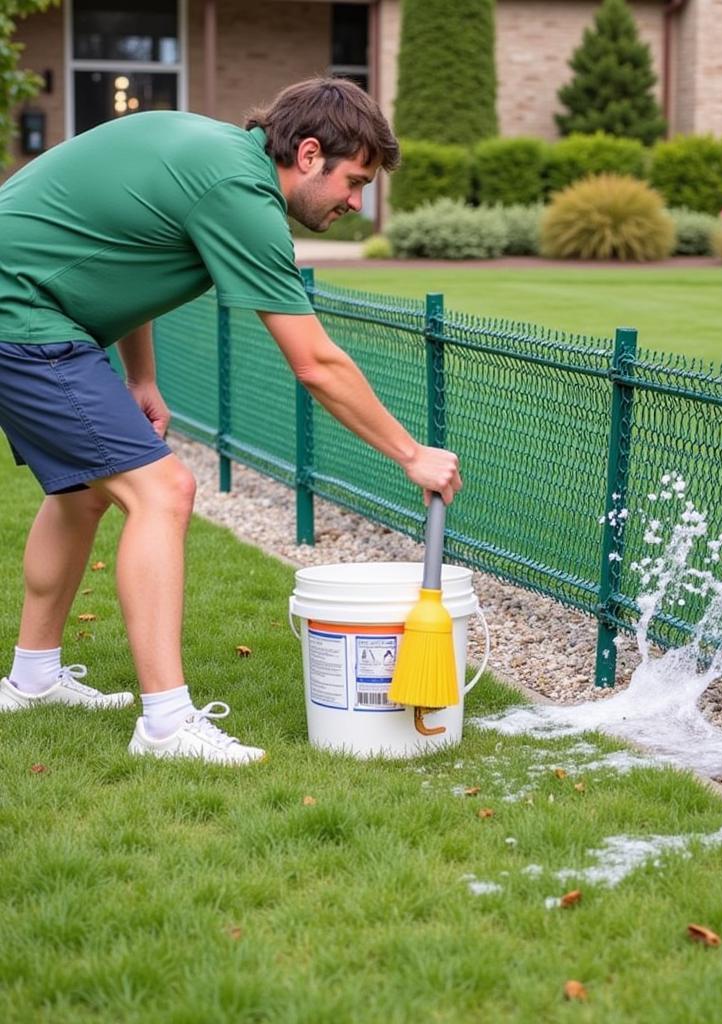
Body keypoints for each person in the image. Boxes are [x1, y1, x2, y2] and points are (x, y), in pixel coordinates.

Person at [0, 77, 462, 764]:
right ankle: (165, 725)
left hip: (35, 304)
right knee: (163, 490)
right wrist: (409, 453)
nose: (356, 204)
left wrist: (142, 376)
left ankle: (32, 679)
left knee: (84, 489)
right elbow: (315, 363)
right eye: (354, 181)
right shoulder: (240, 195)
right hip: (22, 311)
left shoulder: (213, 155)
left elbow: (127, 255)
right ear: (309, 154)